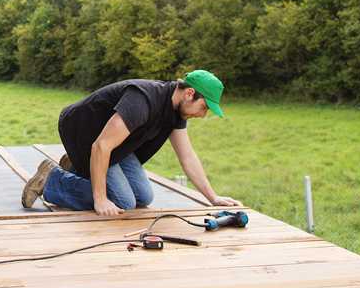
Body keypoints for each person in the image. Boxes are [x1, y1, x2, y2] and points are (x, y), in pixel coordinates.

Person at [22, 70, 241, 216]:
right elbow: (101, 146)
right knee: (123, 201)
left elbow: (187, 157)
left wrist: (213, 198)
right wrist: (99, 199)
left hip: (116, 143)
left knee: (143, 197)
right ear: (189, 94)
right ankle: (52, 179)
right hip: (84, 132)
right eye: (204, 107)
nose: (203, 115)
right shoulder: (144, 100)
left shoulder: (176, 113)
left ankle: (78, 168)